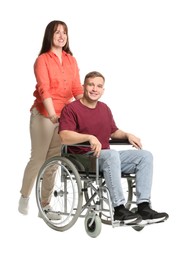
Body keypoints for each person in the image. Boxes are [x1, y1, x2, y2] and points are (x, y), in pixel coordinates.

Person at [59, 71, 169, 225]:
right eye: (91, 85)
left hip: (106, 157)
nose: (94, 89)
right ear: (84, 87)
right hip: (83, 159)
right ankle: (118, 208)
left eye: (99, 86)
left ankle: (143, 206)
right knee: (111, 155)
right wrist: (89, 137)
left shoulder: (104, 108)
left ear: (103, 90)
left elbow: (112, 131)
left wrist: (127, 134)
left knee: (145, 156)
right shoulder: (71, 109)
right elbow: (64, 136)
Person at [18, 20, 83, 220]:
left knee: (54, 162)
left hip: (65, 116)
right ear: (50, 36)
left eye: (64, 32)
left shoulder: (71, 60)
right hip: (44, 115)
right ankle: (25, 196)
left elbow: (76, 89)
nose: (61, 36)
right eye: (57, 32)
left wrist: (87, 110)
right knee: (38, 159)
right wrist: (52, 113)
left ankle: (44, 206)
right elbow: (44, 89)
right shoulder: (42, 60)